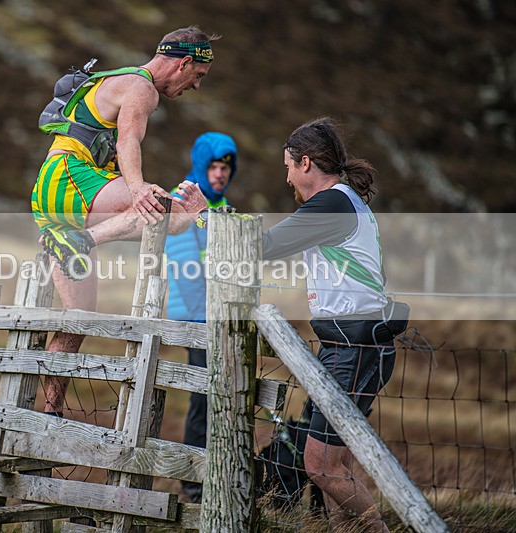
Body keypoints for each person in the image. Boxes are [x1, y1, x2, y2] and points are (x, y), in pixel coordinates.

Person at [177, 117, 408, 532]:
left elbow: (262, 246)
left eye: (287, 167)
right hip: (348, 345)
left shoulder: (331, 203)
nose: (286, 179)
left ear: (305, 163)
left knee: (321, 466)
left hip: (355, 347)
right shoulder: (342, 201)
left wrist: (204, 215)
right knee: (334, 465)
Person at [32, 26, 219, 416]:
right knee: (172, 216)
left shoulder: (117, 80)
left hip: (50, 190)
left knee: (78, 320)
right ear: (184, 63)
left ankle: (51, 410)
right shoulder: (141, 87)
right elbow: (127, 140)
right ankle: (81, 240)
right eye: (198, 75)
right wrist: (137, 190)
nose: (196, 86)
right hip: (70, 178)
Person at [164, 132, 237, 503]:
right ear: (201, 164)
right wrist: (205, 315)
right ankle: (194, 484)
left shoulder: (220, 205)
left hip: (219, 316)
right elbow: (184, 264)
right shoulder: (183, 201)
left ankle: (217, 476)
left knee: (222, 397)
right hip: (198, 318)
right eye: (214, 166)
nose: (221, 173)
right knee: (204, 397)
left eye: (226, 167)